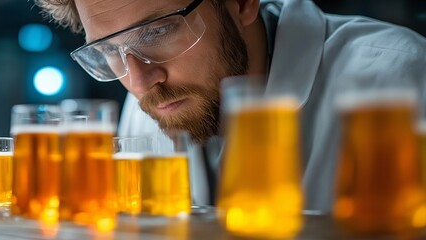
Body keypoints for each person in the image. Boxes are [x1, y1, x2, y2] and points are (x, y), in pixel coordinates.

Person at [34, 0, 426, 211]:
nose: (138, 82)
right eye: (109, 51)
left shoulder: (396, 78)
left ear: (241, 3)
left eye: (157, 31)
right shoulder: (150, 105)